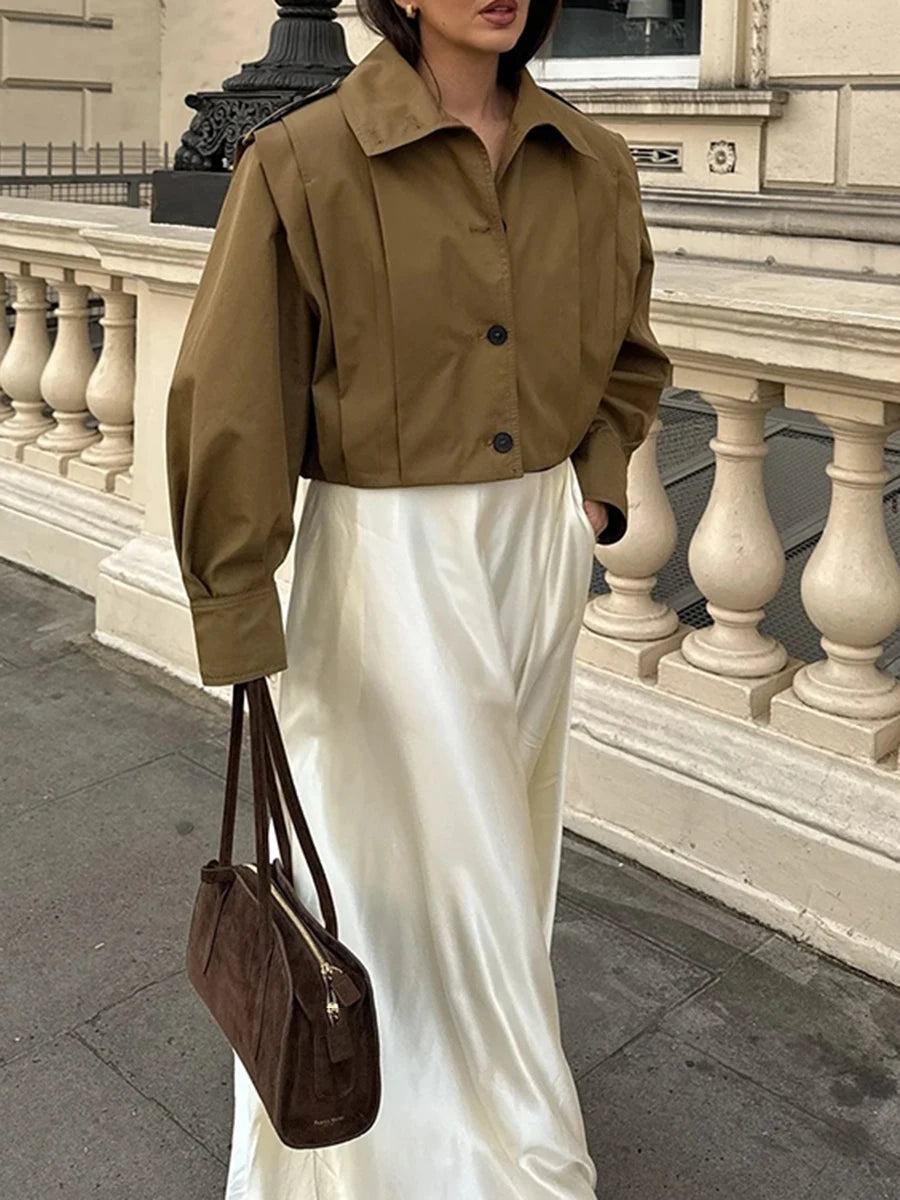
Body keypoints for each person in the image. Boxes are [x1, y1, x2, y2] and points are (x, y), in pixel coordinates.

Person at [165, 0, 670, 1191]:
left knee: (508, 846)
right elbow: (235, 392)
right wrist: (236, 601)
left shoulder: (591, 164)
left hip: (531, 559)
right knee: (397, 862)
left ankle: (469, 1119)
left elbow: (631, 355)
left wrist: (587, 496)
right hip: (384, 566)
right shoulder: (305, 159)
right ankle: (474, 1149)